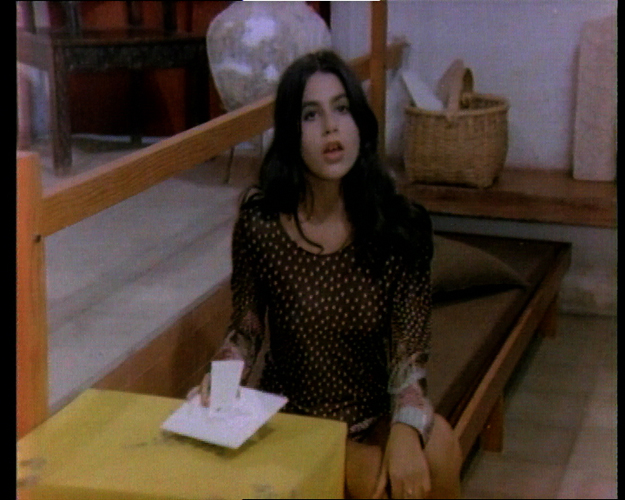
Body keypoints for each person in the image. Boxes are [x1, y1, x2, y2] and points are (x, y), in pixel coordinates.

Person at [189, 49, 462, 499]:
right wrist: (220, 379)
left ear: (359, 123)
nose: (331, 128)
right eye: (311, 115)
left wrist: (405, 430)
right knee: (376, 480)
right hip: (292, 421)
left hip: (370, 416)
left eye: (342, 109)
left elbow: (409, 355)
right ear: (291, 133)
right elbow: (246, 328)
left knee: (440, 448)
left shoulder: (401, 227)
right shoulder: (261, 225)